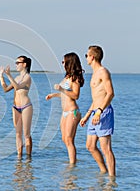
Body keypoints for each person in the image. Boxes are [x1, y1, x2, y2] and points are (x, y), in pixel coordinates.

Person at [80, 45, 116, 176]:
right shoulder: (95, 74)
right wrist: (87, 115)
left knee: (105, 148)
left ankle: (111, 179)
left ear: (92, 57)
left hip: (104, 112)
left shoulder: (103, 72)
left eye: (87, 55)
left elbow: (110, 94)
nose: (86, 58)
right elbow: (96, 98)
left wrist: (100, 111)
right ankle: (103, 171)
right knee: (90, 146)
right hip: (95, 112)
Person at [46, 52, 84, 164]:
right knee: (64, 138)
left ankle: (72, 164)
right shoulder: (66, 77)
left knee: (69, 138)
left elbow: (76, 95)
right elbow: (66, 94)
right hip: (65, 112)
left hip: (73, 112)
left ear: (69, 62)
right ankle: (72, 161)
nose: (62, 64)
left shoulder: (75, 79)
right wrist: (54, 95)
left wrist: (61, 90)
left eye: (63, 62)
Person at [0, 55, 33, 159]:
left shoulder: (27, 77)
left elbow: (17, 87)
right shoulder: (16, 78)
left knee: (26, 134)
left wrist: (8, 75)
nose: (16, 65)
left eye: (18, 63)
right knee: (18, 134)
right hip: (15, 107)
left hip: (26, 107)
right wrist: (1, 76)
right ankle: (19, 158)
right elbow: (5, 89)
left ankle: (28, 158)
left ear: (24, 64)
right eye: (16, 63)